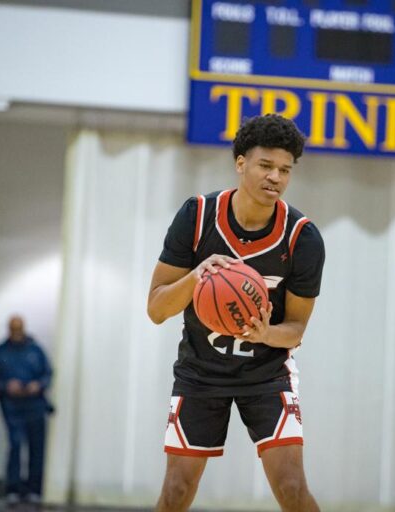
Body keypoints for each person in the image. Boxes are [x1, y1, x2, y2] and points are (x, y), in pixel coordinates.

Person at [147, 114, 325, 512]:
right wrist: (196, 277)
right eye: (266, 166)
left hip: (266, 373)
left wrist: (265, 334)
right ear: (240, 162)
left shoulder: (302, 238)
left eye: (285, 170)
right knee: (175, 491)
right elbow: (156, 309)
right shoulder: (197, 217)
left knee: (293, 487)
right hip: (200, 372)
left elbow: (295, 329)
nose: (275, 177)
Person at [0, 315, 52, 506]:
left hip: (35, 404)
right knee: (16, 445)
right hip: (12, 406)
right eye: (13, 329)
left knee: (37, 447)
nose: (17, 332)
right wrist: (6, 386)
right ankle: (13, 488)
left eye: (20, 329)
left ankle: (34, 489)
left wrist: (38, 385)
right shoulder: (0, 352)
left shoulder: (35, 350)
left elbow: (48, 373)